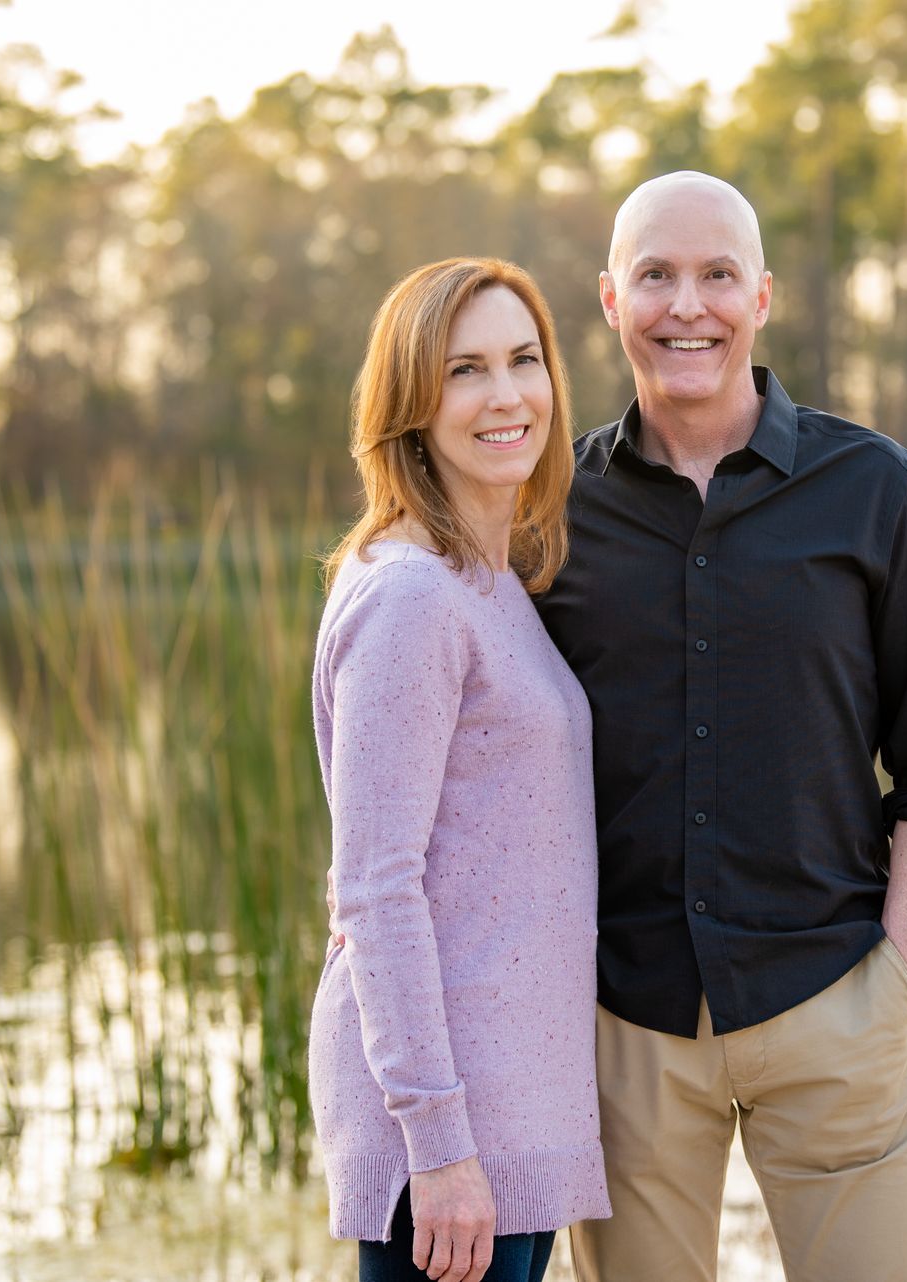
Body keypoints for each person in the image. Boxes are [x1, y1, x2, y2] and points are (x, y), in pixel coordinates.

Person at [534, 171, 907, 1282]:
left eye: (717, 275)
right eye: (657, 276)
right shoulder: (546, 509)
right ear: (608, 299)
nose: (689, 307)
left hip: (834, 999)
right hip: (625, 1023)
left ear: (763, 296)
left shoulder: (874, 488)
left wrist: (892, 988)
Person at [309, 257, 610, 1282]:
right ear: (411, 406)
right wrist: (437, 1145)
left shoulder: (491, 583)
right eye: (466, 369)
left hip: (510, 1126)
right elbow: (376, 887)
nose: (507, 394)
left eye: (524, 360)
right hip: (448, 1150)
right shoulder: (410, 598)